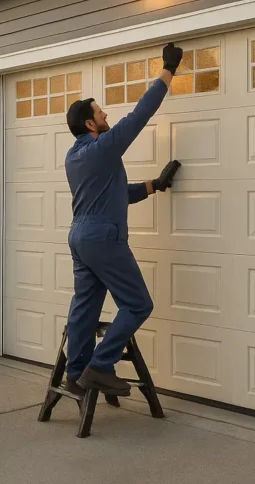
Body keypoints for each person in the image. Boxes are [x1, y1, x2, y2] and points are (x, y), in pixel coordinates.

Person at [63, 43, 184, 396]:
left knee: (85, 306)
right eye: (101, 114)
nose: (106, 116)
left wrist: (153, 185)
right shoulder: (103, 147)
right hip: (103, 237)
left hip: (81, 237)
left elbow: (115, 193)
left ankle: (74, 373)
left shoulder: (76, 158)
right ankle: (100, 367)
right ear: (90, 124)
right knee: (138, 304)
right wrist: (168, 70)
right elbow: (139, 116)